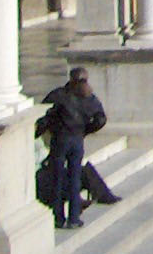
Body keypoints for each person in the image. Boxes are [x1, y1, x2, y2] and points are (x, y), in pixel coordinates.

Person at [37, 66, 106, 230]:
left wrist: (41, 132)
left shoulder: (59, 95)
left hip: (60, 140)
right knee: (75, 178)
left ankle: (58, 217)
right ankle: (74, 218)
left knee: (58, 178)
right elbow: (101, 119)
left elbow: (43, 116)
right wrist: (85, 130)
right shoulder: (89, 97)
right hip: (77, 140)